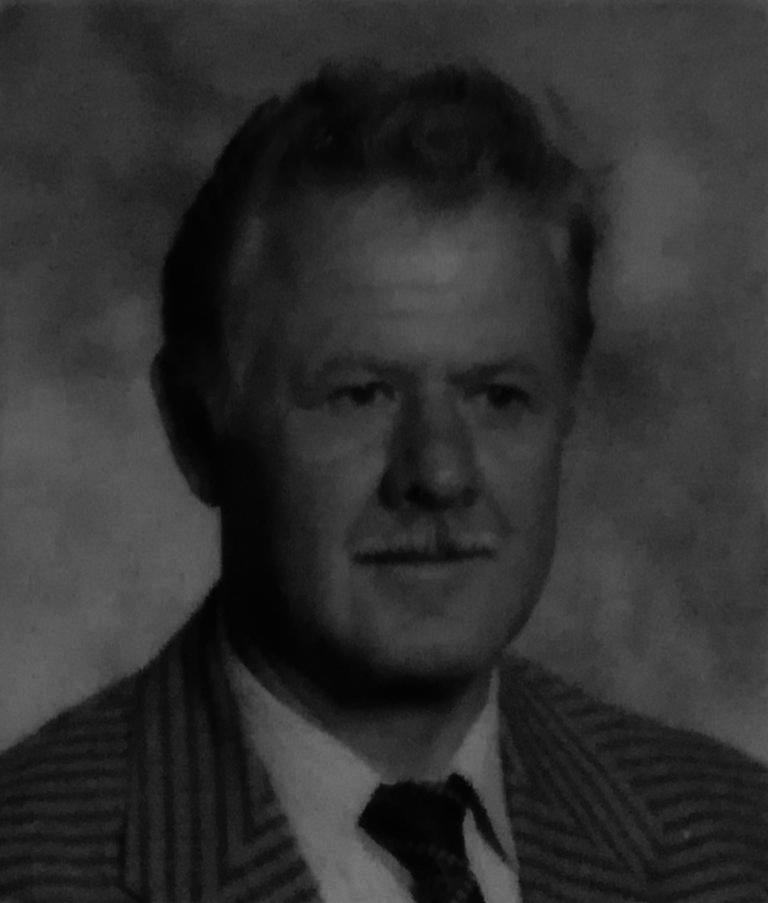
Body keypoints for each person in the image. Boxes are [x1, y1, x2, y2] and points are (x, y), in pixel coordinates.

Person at [0, 61, 765, 903]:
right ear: (195, 430)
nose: (439, 471)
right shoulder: (30, 867)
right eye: (361, 394)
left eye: (498, 397)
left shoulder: (737, 842)